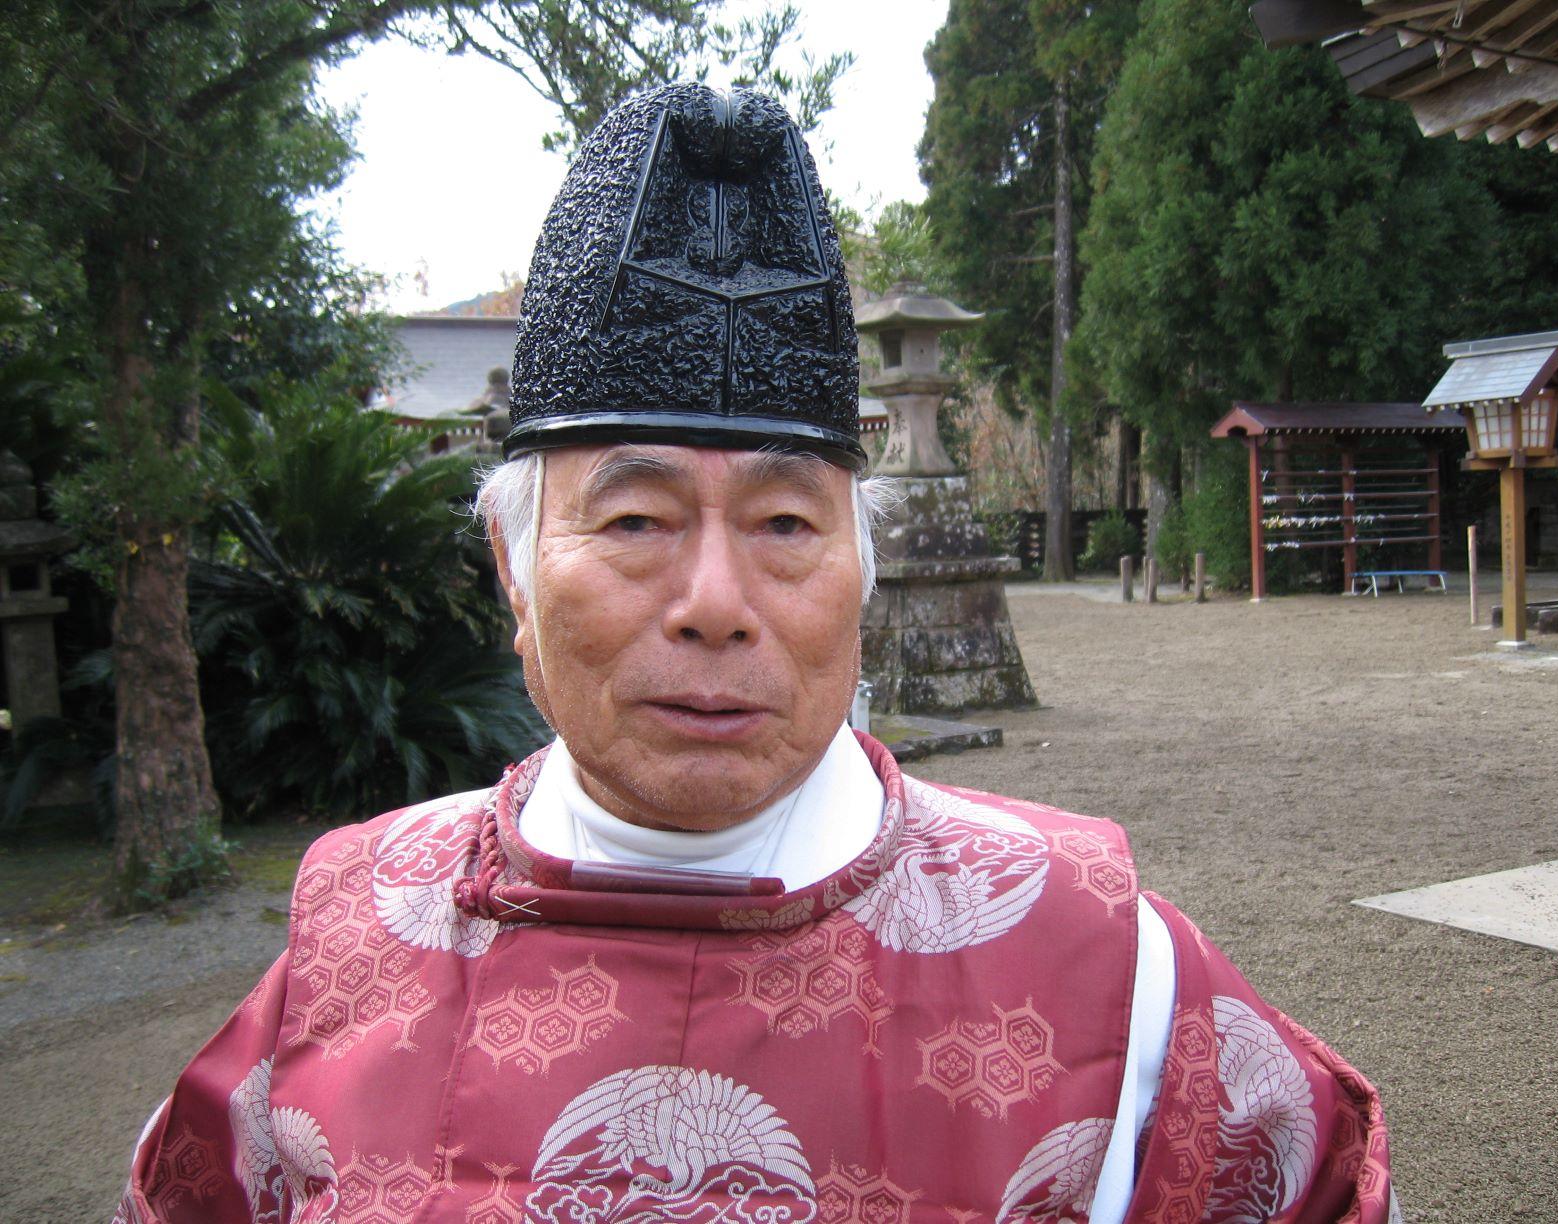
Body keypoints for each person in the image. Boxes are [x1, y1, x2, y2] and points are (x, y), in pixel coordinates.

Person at [114, 84, 1396, 1223]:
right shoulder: (349, 941)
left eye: (786, 522)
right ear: (513, 568)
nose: (715, 603)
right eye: (634, 520)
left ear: (862, 572)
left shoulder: (1109, 965)